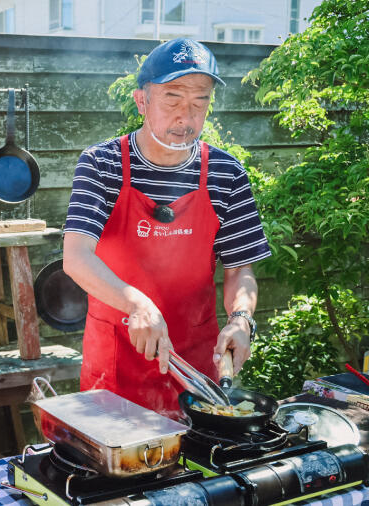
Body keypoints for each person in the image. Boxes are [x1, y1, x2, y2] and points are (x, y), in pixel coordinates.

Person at [63, 38, 270, 418]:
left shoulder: (226, 173)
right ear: (142, 101)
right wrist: (136, 302)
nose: (186, 117)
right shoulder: (102, 164)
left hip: (196, 369)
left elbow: (241, 269)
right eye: (172, 98)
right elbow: (76, 258)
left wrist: (242, 319)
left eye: (200, 101)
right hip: (116, 364)